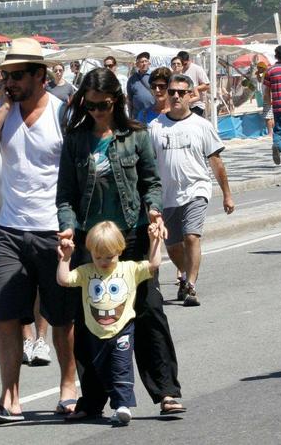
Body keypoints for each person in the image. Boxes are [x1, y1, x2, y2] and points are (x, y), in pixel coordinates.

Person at [57, 67, 186, 419]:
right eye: (91, 105)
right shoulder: (76, 140)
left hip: (131, 236)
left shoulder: (136, 136)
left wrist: (155, 212)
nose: (97, 111)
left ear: (117, 101)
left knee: (147, 310)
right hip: (90, 240)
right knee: (91, 317)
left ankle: (166, 392)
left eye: (104, 105)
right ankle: (93, 399)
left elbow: (151, 183)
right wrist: (68, 228)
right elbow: (65, 195)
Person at [0, 38, 78, 424]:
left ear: (39, 75)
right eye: (5, 75)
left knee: (62, 318)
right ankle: (9, 398)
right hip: (9, 230)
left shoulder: (64, 114)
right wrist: (4, 106)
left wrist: (74, 226)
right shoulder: (1, 113)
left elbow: (79, 171)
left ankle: (68, 387)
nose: (9, 81)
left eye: (16, 76)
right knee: (6, 315)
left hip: (54, 231)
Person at [57, 220, 162, 424]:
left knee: (121, 367)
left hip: (122, 329)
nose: (103, 261)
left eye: (109, 257)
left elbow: (154, 265)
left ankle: (122, 405)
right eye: (98, 257)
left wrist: (154, 241)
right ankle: (102, 400)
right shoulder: (86, 271)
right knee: (100, 371)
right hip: (95, 332)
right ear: (91, 253)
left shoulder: (129, 269)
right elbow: (64, 280)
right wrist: (65, 259)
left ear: (120, 251)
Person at [149, 73, 235, 305]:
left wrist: (227, 194)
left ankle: (190, 286)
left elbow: (216, 161)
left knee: (191, 237)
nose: (175, 96)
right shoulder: (155, 127)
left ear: (190, 95)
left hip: (196, 189)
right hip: (166, 195)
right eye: (172, 92)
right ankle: (186, 274)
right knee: (173, 246)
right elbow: (147, 164)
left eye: (181, 92)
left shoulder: (201, 126)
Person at [177, 51, 211, 117]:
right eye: (181, 64)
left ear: (189, 60)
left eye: (185, 64)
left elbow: (207, 85)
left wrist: (195, 88)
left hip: (196, 105)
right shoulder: (177, 70)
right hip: (183, 105)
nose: (183, 66)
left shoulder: (197, 69)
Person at [126, 52, 154, 122]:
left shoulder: (155, 76)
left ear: (149, 63)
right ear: (137, 64)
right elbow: (130, 100)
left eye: (146, 61)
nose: (144, 63)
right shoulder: (132, 79)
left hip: (153, 114)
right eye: (141, 62)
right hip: (137, 116)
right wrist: (130, 116)